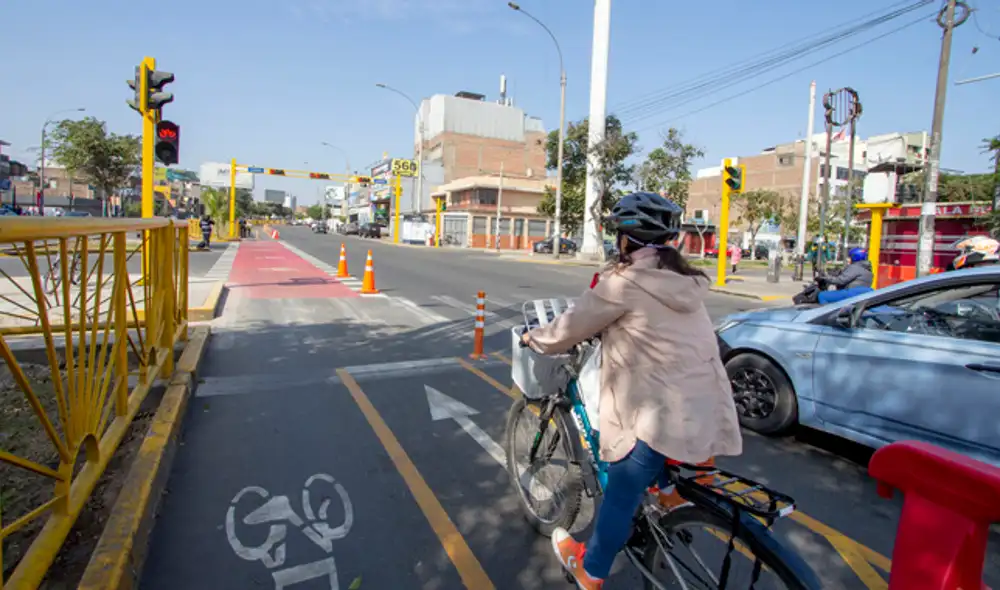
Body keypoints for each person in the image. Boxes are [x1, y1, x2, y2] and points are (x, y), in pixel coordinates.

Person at [520, 192, 743, 589]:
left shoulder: (622, 283)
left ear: (626, 240)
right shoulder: (684, 281)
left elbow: (566, 330)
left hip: (660, 411)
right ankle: (670, 495)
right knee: (658, 443)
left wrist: (532, 338)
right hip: (706, 406)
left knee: (622, 488)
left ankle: (592, 571)